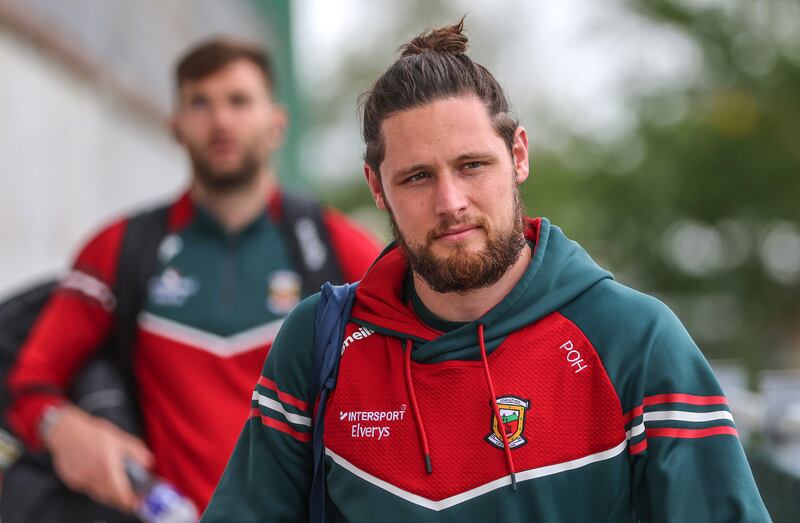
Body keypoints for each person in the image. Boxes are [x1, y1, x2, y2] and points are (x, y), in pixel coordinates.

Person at [201, 21, 771, 522]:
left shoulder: (636, 339)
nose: (451, 201)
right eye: (417, 177)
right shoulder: (318, 342)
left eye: (472, 165)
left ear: (518, 155)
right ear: (377, 187)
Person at [6, 38, 381, 515]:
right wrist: (63, 429)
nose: (221, 120)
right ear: (175, 126)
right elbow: (30, 383)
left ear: (276, 124)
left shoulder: (334, 247)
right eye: (200, 103)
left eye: (239, 101)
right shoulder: (120, 247)